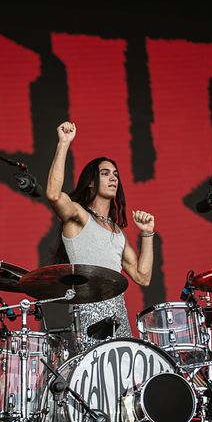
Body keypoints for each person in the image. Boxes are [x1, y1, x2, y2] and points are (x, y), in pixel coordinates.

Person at [46, 121, 155, 352]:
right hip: (88, 316)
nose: (113, 178)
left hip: (118, 318)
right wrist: (64, 143)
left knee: (124, 385)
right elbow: (54, 195)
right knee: (94, 382)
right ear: (92, 181)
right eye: (105, 173)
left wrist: (147, 233)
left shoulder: (117, 232)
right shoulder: (79, 216)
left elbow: (142, 277)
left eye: (115, 174)